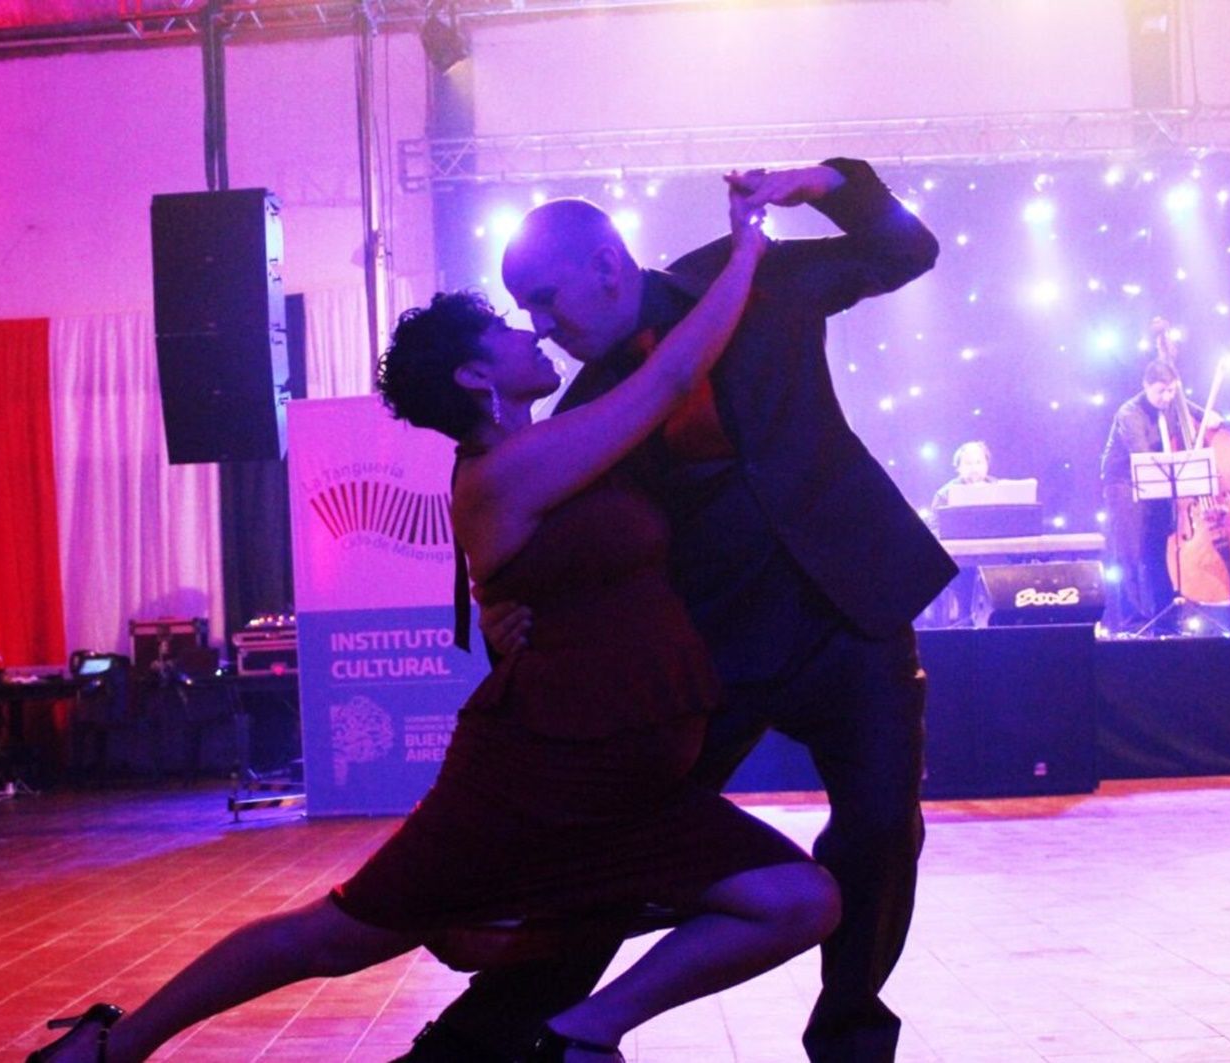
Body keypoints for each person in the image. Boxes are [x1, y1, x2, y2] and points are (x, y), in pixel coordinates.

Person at [28, 183, 838, 1063]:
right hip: (536, 779)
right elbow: (673, 377)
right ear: (474, 376)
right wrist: (746, 247)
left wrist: (505, 609)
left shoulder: (560, 443)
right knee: (338, 936)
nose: (532, 332)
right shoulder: (502, 473)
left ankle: (582, 1031)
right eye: (507, 328)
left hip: (628, 787)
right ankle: (115, 1044)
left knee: (801, 899)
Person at [400, 159, 954, 1063]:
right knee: (623, 851)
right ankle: (478, 1046)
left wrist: (825, 183)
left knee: (884, 832)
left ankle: (852, 1046)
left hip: (853, 610)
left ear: (606, 265)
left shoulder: (747, 276)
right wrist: (503, 611)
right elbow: (542, 551)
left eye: (544, 299)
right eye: (524, 311)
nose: (539, 326)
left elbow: (907, 250)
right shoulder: (583, 407)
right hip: (711, 653)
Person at [1099, 358, 1217, 633]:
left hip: (1159, 481)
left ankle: (1165, 618)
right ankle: (1133, 622)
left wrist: (1208, 416)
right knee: (1130, 552)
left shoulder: (1173, 403)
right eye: (1161, 391)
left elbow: (1194, 410)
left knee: (1158, 550)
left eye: (1172, 390)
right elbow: (1142, 455)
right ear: (1146, 386)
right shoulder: (1130, 413)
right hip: (1124, 484)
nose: (1167, 397)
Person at [929, 440, 997, 514]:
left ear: (987, 464)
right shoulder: (944, 495)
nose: (974, 468)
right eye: (968, 463)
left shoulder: (999, 489)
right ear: (958, 467)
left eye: (978, 462)